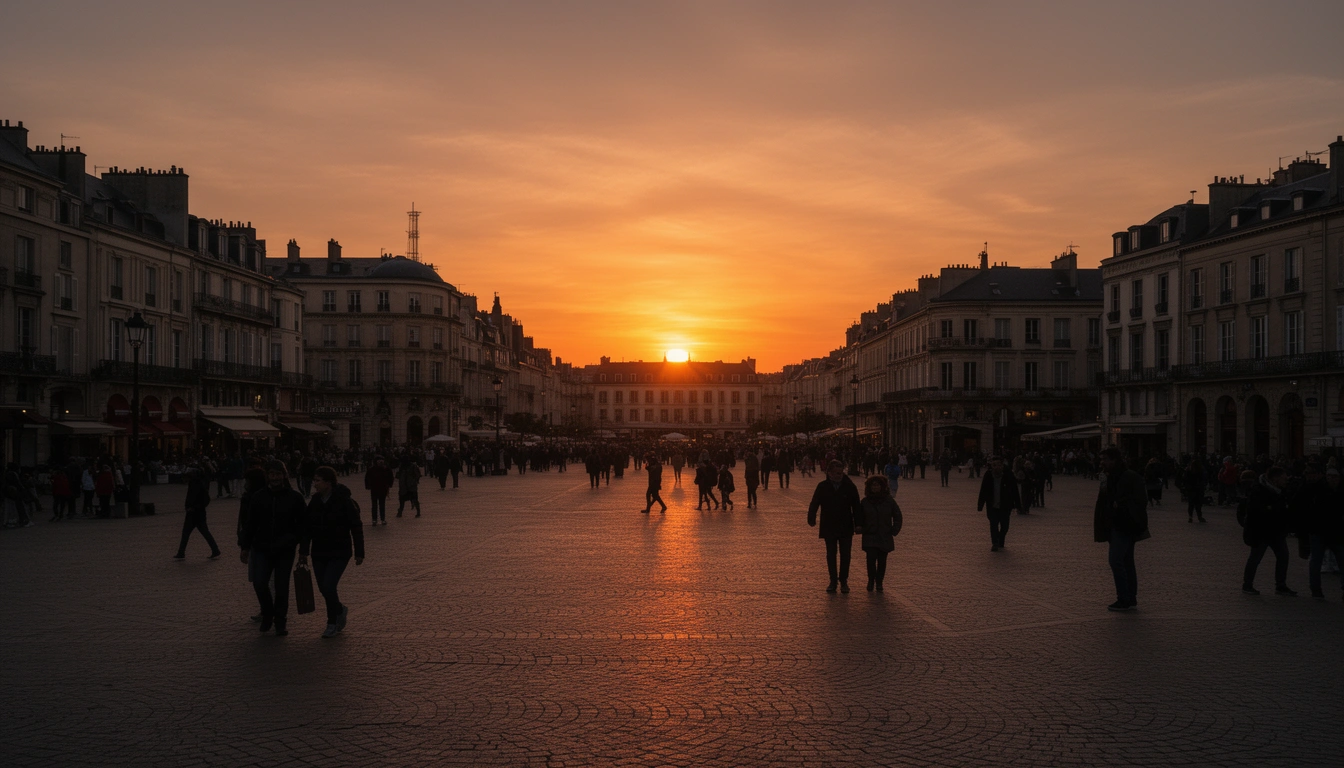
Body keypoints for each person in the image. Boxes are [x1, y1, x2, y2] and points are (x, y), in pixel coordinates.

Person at [239, 460, 306, 636]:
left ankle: (280, 621)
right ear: (267, 476)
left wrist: (298, 545)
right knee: (260, 583)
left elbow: (303, 526)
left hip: (285, 549)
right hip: (262, 547)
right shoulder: (259, 497)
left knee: (282, 586)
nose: (275, 478)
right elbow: (250, 524)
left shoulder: (295, 498)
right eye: (272, 474)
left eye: (278, 474)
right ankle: (268, 613)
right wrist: (244, 547)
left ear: (284, 475)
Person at [299, 466, 365, 638]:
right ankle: (339, 609)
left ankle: (332, 622)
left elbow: (356, 526)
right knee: (323, 587)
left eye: (317, 481)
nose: (314, 484)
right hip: (319, 551)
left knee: (329, 585)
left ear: (328, 482)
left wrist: (359, 551)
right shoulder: (315, 501)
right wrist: (303, 551)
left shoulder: (343, 500)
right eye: (314, 480)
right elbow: (306, 528)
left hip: (339, 551)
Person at [1094, 448, 1150, 611]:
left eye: (1104, 459)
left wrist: (1121, 505)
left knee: (1116, 560)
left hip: (1125, 524)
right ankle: (1130, 597)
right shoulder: (1108, 477)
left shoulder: (1129, 476)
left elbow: (1141, 500)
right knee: (1126, 561)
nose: (1101, 462)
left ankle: (1124, 598)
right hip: (1114, 524)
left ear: (1114, 460)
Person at [807, 460, 863, 593]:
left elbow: (856, 506)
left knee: (845, 555)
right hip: (829, 525)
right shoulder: (822, 486)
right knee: (831, 554)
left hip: (846, 525)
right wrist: (811, 518)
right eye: (837, 473)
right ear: (830, 473)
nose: (839, 475)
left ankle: (843, 581)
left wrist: (859, 524)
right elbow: (814, 503)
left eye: (841, 472)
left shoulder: (849, 486)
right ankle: (833, 581)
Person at [1240, 467, 1297, 596]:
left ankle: (1281, 586)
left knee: (1283, 557)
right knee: (1255, 558)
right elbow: (1256, 510)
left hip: (1277, 531)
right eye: (1283, 478)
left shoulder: (1282, 490)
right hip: (1261, 532)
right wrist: (1273, 508)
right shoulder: (1258, 489)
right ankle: (1247, 585)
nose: (1286, 481)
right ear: (1275, 479)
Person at [1301, 467, 1344, 600]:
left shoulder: (1341, 490)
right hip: (1318, 531)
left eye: (1334, 476)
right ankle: (1316, 590)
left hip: (1337, 532)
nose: (1331, 478)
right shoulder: (1316, 489)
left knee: (1342, 561)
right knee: (1316, 561)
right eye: (1329, 476)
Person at [860, 474, 901, 592]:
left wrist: (894, 530)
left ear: (882, 487)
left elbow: (897, 516)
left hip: (885, 535)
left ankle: (879, 582)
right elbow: (859, 517)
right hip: (870, 535)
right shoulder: (865, 502)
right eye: (873, 485)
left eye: (877, 485)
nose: (875, 487)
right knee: (870, 560)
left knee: (882, 561)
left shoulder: (889, 501)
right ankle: (871, 580)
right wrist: (860, 527)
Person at [175, 468, 221, 560]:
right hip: (196, 513)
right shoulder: (197, 484)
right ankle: (215, 549)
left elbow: (204, 500)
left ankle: (181, 552)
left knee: (188, 533)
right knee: (200, 532)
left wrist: (193, 507)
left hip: (195, 513)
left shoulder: (197, 485)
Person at [976, 456, 1020, 551]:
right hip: (992, 506)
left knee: (1005, 526)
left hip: (1005, 506)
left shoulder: (1008, 475)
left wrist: (1018, 504)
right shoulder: (988, 475)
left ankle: (1000, 538)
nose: (997, 467)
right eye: (994, 465)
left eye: (999, 465)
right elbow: (983, 490)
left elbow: (1014, 490)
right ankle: (995, 543)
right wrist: (980, 505)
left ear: (1002, 465)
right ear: (992, 466)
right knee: (993, 524)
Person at [363, 457, 393, 525]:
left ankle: (382, 519)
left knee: (381, 504)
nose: (380, 462)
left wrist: (390, 484)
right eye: (379, 461)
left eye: (381, 461)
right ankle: (374, 519)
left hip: (382, 489)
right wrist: (368, 486)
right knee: (374, 505)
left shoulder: (386, 469)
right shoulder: (372, 469)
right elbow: (367, 478)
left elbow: (390, 477)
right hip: (375, 489)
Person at [1183, 458, 1207, 523]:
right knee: (1198, 504)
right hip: (1199, 489)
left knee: (1191, 504)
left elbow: (1185, 480)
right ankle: (1199, 516)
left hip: (1191, 489)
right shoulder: (1201, 471)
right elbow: (1204, 480)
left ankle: (1190, 517)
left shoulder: (1188, 471)